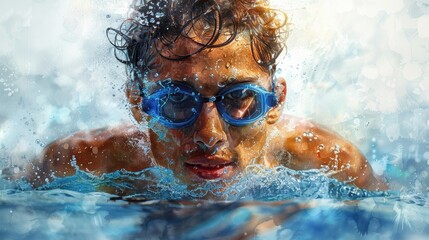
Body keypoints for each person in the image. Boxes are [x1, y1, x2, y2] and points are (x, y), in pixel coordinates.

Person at [25, 0, 387, 193]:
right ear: (138, 103)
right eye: (177, 100)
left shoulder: (331, 164)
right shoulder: (80, 164)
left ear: (276, 101)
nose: (209, 134)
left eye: (239, 98)